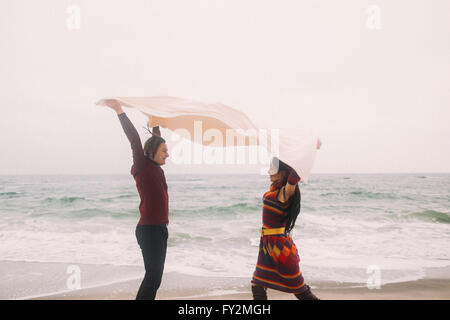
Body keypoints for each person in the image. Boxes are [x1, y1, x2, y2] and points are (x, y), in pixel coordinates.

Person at [104, 99, 170, 300]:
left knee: (155, 279)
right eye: (164, 151)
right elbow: (134, 139)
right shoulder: (143, 166)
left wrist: (155, 119)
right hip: (149, 230)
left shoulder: (154, 167)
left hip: (159, 229)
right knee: (152, 278)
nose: (168, 154)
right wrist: (119, 111)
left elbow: (156, 139)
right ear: (152, 152)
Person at [251, 157, 319, 300]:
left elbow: (295, 175)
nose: (269, 173)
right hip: (266, 247)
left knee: (301, 291)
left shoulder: (285, 192)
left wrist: (307, 149)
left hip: (281, 249)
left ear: (282, 173)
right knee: (257, 285)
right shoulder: (273, 191)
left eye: (273, 170)